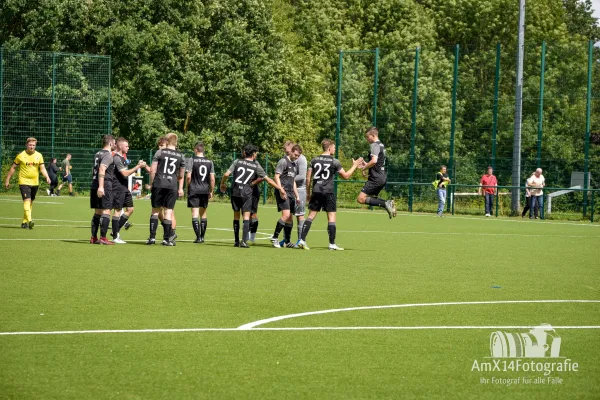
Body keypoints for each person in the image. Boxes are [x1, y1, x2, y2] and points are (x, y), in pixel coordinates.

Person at [296, 139, 362, 251]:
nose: (335, 149)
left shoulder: (314, 160)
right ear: (330, 148)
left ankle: (302, 240)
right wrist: (355, 165)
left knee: (311, 215)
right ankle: (332, 244)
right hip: (328, 191)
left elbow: (308, 178)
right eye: (334, 148)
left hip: (316, 191)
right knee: (331, 217)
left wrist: (308, 192)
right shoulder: (334, 161)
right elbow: (346, 176)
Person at [220, 144, 284, 248]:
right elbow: (268, 180)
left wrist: (222, 183)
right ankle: (244, 242)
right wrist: (280, 188)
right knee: (246, 216)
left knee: (236, 216)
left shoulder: (237, 161)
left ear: (244, 153)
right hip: (247, 192)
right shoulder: (255, 165)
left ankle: (236, 241)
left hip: (235, 191)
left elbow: (226, 174)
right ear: (253, 154)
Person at [4, 137, 51, 229]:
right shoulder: (21, 155)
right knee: (27, 200)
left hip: (35, 182)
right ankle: (30, 220)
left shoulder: (39, 155)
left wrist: (47, 177)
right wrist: (7, 179)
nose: (31, 147)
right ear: (26, 145)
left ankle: (24, 222)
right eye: (30, 145)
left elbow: (42, 168)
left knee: (30, 202)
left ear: (35, 146)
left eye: (33, 145)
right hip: (24, 181)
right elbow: (13, 167)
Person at [147, 133, 185, 246]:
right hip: (172, 185)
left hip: (159, 183)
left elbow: (152, 170)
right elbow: (181, 175)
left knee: (155, 211)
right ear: (176, 142)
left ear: (167, 141)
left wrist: (152, 183)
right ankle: (166, 239)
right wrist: (174, 179)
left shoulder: (160, 152)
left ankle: (152, 238)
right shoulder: (181, 156)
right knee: (168, 212)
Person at [111, 137, 146, 244]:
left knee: (130, 209)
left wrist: (138, 165)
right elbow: (125, 173)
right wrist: (138, 166)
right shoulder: (116, 158)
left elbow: (127, 170)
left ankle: (115, 230)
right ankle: (115, 236)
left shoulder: (123, 157)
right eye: (126, 146)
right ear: (120, 146)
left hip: (125, 188)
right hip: (118, 188)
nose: (128, 148)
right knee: (117, 211)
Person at [356, 127, 396, 218]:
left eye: (367, 137)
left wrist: (364, 168)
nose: (367, 139)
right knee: (370, 198)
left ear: (373, 135)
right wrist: (366, 165)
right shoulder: (381, 145)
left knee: (360, 199)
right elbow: (377, 162)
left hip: (376, 178)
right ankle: (387, 203)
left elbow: (374, 161)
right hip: (381, 177)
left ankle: (386, 203)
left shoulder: (374, 145)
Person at [270, 144, 302, 248]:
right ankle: (274, 237)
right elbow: (276, 176)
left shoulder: (294, 165)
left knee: (290, 218)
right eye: (295, 155)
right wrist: (280, 190)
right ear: (291, 151)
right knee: (286, 215)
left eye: (298, 156)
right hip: (283, 192)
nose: (296, 157)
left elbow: (293, 181)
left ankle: (287, 241)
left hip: (291, 193)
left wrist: (297, 196)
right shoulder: (283, 161)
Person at [89, 135, 116, 244]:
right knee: (106, 210)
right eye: (114, 143)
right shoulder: (108, 155)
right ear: (110, 143)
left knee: (98, 212)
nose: (115, 145)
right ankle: (103, 238)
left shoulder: (97, 153)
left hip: (94, 183)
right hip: (104, 184)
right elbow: (102, 169)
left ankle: (93, 237)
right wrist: (101, 186)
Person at [186, 142, 215, 243]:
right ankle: (202, 237)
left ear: (195, 150)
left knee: (195, 213)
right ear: (203, 150)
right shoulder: (210, 161)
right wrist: (211, 190)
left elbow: (188, 176)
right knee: (203, 214)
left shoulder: (192, 160)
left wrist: (187, 187)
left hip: (194, 189)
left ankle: (198, 237)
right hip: (204, 190)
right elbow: (212, 179)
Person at [290, 141, 308, 244]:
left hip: (300, 189)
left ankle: (300, 240)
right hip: (290, 190)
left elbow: (301, 176)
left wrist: (288, 179)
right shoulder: (288, 158)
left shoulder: (302, 159)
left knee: (299, 215)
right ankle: (286, 240)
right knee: (288, 215)